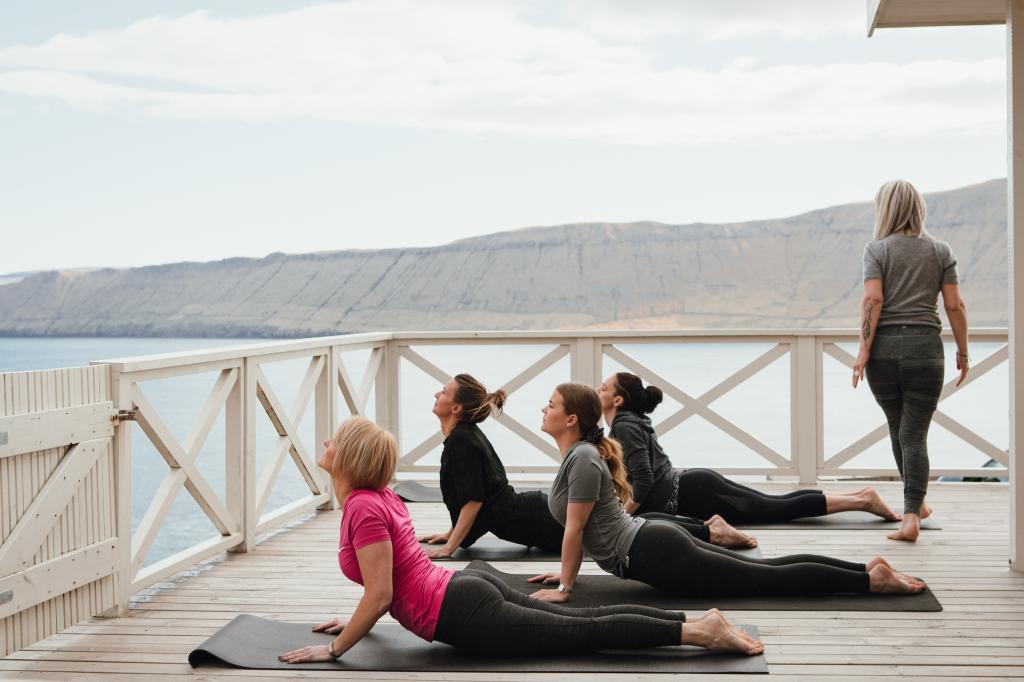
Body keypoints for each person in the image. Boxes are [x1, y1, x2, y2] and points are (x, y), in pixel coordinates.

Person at [278, 417, 765, 665]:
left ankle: (699, 632)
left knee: (583, 632)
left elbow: (383, 591)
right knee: (583, 620)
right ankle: (697, 622)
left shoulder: (363, 506)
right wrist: (362, 616)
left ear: (351, 457)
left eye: (334, 439)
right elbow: (389, 583)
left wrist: (338, 648)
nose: (325, 444)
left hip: (460, 609)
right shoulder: (380, 496)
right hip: (460, 590)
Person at [526, 383, 926, 604]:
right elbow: (584, 528)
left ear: (572, 419)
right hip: (651, 542)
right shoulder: (579, 456)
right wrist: (564, 573)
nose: (544, 409)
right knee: (767, 571)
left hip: (653, 552)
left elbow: (575, 530)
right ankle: (866, 571)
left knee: (766, 580)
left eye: (551, 404)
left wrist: (565, 588)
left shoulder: (580, 459)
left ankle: (869, 581)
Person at [419, 373, 755, 557]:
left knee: (620, 528)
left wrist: (451, 546)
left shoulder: (462, 442)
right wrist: (451, 534)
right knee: (622, 523)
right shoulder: (464, 438)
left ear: (457, 409)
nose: (437, 394)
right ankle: (706, 528)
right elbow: (479, 499)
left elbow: (475, 501)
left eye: (444, 391)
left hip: (537, 518)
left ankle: (708, 530)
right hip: (530, 512)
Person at [599, 372, 900, 528]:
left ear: (618, 400)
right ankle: (860, 497)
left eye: (603, 388)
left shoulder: (625, 426)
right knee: (774, 503)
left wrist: (623, 517)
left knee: (775, 509)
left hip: (693, 491)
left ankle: (862, 501)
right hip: (693, 485)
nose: (597, 391)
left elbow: (645, 478)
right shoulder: (629, 422)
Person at [852, 179, 969, 542]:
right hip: (925, 351)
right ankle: (916, 507)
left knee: (899, 429)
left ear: (885, 209)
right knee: (913, 433)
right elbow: (954, 305)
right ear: (918, 208)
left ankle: (910, 518)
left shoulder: (877, 249)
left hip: (884, 352)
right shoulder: (940, 250)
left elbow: (873, 301)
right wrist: (963, 351)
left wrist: (864, 350)